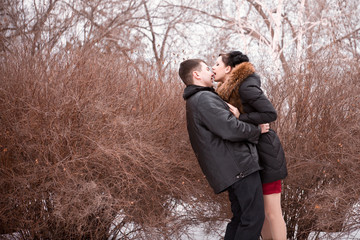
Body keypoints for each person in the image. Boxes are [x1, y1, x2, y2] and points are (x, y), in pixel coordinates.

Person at [179, 58, 270, 240]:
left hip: (233, 168)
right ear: (196, 74)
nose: (211, 71)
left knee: (241, 219)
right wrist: (256, 130)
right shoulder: (203, 98)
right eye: (206, 68)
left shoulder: (201, 98)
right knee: (252, 218)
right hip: (239, 167)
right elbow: (230, 129)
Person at [212, 51, 287, 240]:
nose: (213, 68)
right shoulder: (225, 89)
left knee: (271, 212)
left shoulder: (245, 86)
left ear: (228, 69)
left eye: (217, 64)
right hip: (250, 154)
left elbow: (270, 114)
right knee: (259, 216)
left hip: (266, 152)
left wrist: (241, 118)